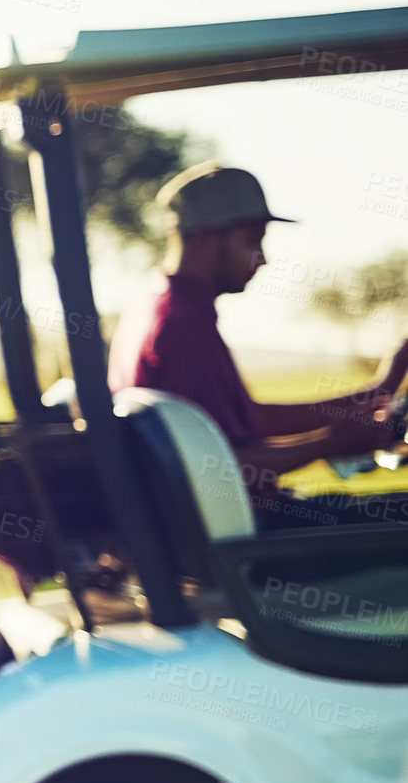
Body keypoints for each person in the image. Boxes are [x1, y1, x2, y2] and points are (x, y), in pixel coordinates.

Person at [108, 161, 408, 530]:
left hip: (240, 527)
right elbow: (219, 468)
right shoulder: (181, 326)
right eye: (251, 240)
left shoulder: (158, 308)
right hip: (250, 540)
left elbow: (253, 420)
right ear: (204, 237)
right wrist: (330, 443)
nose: (263, 258)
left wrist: (374, 394)